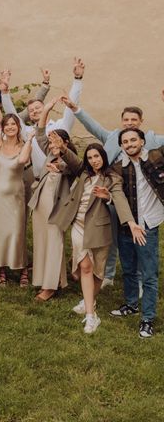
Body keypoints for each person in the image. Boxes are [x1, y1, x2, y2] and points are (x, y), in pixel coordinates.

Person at [64, 97, 164, 288]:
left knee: (139, 240)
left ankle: (142, 280)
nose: (129, 123)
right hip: (110, 194)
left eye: (133, 120)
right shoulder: (112, 137)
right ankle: (108, 275)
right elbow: (92, 126)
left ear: (141, 121)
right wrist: (76, 109)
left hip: (139, 200)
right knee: (109, 237)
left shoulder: (150, 139)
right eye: (126, 120)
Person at [52, 142, 145, 334]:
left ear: (103, 156)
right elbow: (72, 159)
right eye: (90, 157)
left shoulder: (112, 178)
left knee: (97, 273)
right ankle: (91, 316)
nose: (94, 161)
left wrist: (127, 218)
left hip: (99, 228)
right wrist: (62, 148)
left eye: (97, 156)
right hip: (78, 225)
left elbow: (119, 199)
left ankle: (89, 300)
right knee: (85, 267)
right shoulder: (84, 173)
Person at [109, 128, 164, 338]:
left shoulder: (157, 156)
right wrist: (130, 223)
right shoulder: (117, 167)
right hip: (127, 227)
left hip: (148, 225)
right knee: (129, 269)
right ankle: (131, 304)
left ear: (142, 141)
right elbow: (118, 195)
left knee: (149, 275)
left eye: (133, 140)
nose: (130, 144)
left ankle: (147, 319)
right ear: (121, 145)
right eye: (125, 141)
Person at [28, 98, 79, 302]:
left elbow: (74, 168)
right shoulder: (49, 153)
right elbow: (40, 134)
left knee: (55, 243)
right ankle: (44, 279)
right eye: (51, 142)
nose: (53, 144)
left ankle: (51, 286)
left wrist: (61, 157)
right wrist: (46, 109)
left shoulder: (70, 157)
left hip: (58, 207)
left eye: (57, 141)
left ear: (66, 143)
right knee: (42, 242)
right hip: (41, 204)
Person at [0, 113, 34, 285]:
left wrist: (29, 139)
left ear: (18, 127)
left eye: (13, 124)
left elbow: (22, 159)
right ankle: (0, 268)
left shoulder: (25, 145)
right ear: (2, 127)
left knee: (17, 231)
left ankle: (22, 267)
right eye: (6, 124)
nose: (9, 127)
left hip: (15, 196)